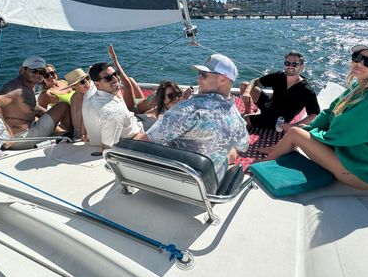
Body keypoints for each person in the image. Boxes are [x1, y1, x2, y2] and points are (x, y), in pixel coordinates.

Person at [258, 42, 368, 189]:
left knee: (294, 133)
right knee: (302, 130)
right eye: (357, 57)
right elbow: (329, 112)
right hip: (364, 163)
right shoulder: (360, 87)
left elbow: (334, 136)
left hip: (362, 175)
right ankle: (279, 148)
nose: (359, 63)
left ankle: (261, 165)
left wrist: (303, 133)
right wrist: (309, 128)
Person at [135, 54, 249, 183]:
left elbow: (142, 142)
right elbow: (244, 145)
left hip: (172, 180)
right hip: (208, 184)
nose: (198, 78)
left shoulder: (186, 110)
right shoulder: (236, 118)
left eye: (204, 75)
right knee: (230, 151)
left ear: (223, 79)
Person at [0, 56, 72, 149]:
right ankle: (74, 136)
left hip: (24, 132)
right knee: (63, 106)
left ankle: (62, 132)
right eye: (34, 71)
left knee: (41, 115)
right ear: (22, 70)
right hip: (22, 138)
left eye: (42, 72)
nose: (38, 74)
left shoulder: (19, 85)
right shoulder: (19, 90)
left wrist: (48, 114)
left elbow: (30, 106)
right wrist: (9, 135)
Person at [240, 51, 320, 129]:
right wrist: (247, 93)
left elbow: (314, 114)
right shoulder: (279, 76)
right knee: (245, 85)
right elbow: (255, 81)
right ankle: (248, 111)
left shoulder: (306, 90)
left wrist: (294, 126)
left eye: (294, 64)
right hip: (268, 105)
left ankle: (251, 116)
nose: (290, 66)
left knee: (242, 120)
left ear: (301, 67)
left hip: (276, 120)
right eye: (287, 63)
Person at [82, 62, 144, 149]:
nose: (115, 79)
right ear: (97, 84)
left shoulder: (90, 94)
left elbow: (92, 83)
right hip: (135, 138)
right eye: (108, 78)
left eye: (115, 74)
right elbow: (109, 148)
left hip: (132, 123)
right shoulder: (112, 112)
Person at [107, 45, 155, 113]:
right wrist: (114, 59)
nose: (115, 77)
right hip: (133, 109)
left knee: (130, 79)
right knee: (159, 94)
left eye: (115, 74)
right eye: (109, 77)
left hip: (138, 104)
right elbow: (127, 84)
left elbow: (126, 81)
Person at [63, 68, 95, 141]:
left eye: (87, 78)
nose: (87, 82)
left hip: (76, 131)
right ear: (74, 87)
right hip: (83, 133)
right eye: (82, 82)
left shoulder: (74, 96)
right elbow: (84, 116)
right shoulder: (85, 97)